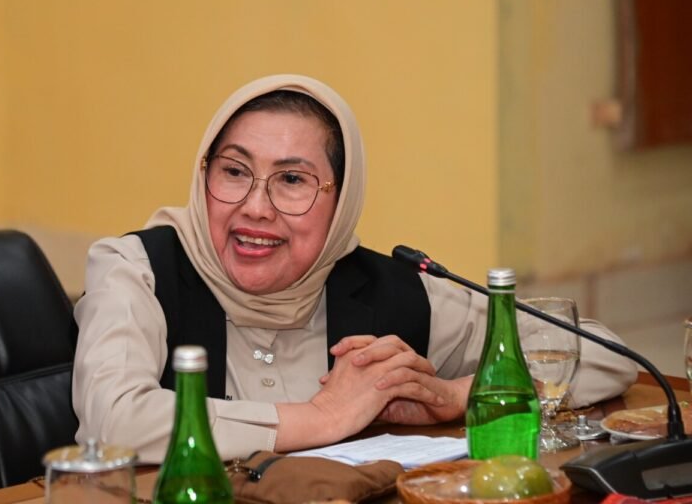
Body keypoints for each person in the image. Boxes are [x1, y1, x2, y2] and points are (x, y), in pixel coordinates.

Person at [72, 74, 637, 462]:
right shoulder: (137, 270)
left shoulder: (389, 290)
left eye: (292, 180)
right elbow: (114, 421)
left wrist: (461, 394)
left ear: (342, 201)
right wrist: (320, 418)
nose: (255, 207)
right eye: (234, 171)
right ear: (203, 175)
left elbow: (605, 356)